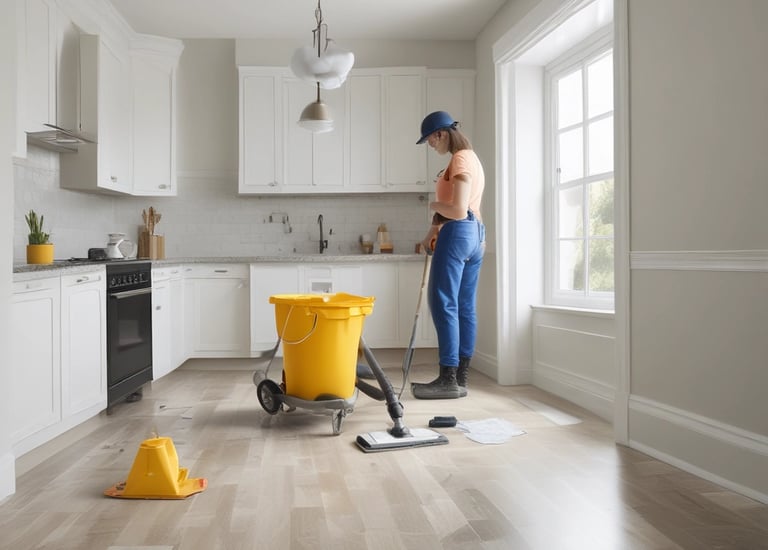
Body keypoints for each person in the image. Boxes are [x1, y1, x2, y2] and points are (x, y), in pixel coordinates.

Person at [412, 111, 486, 399]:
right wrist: (432, 231)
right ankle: (460, 377)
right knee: (464, 306)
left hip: (458, 233)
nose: (430, 145)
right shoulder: (471, 158)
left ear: (441, 134)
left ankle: (448, 379)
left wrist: (432, 205)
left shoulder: (460, 159)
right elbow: (462, 210)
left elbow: (457, 210)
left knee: (443, 303)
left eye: (430, 140)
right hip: (475, 235)